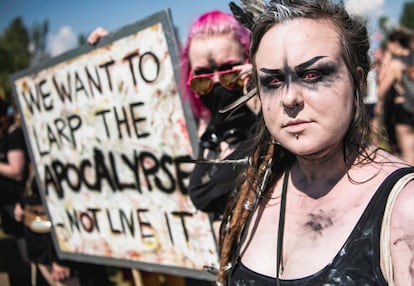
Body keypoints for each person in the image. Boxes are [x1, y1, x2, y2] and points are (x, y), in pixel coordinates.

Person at [215, 0, 414, 285]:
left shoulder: (405, 208)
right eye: (272, 82)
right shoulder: (254, 190)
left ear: (358, 82)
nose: (289, 99)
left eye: (312, 75)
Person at [180, 10, 258, 236]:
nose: (215, 83)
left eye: (228, 71)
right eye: (202, 77)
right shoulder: (199, 126)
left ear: (249, 60)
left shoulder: (275, 124)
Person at [0, 103, 31, 286]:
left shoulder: (14, 136)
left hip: (19, 203)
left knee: (27, 253)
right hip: (7, 207)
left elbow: (16, 171)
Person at [376, 29, 414, 165]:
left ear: (396, 43)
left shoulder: (396, 64)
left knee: (409, 155)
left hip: (404, 110)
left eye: (390, 44)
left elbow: (381, 92)